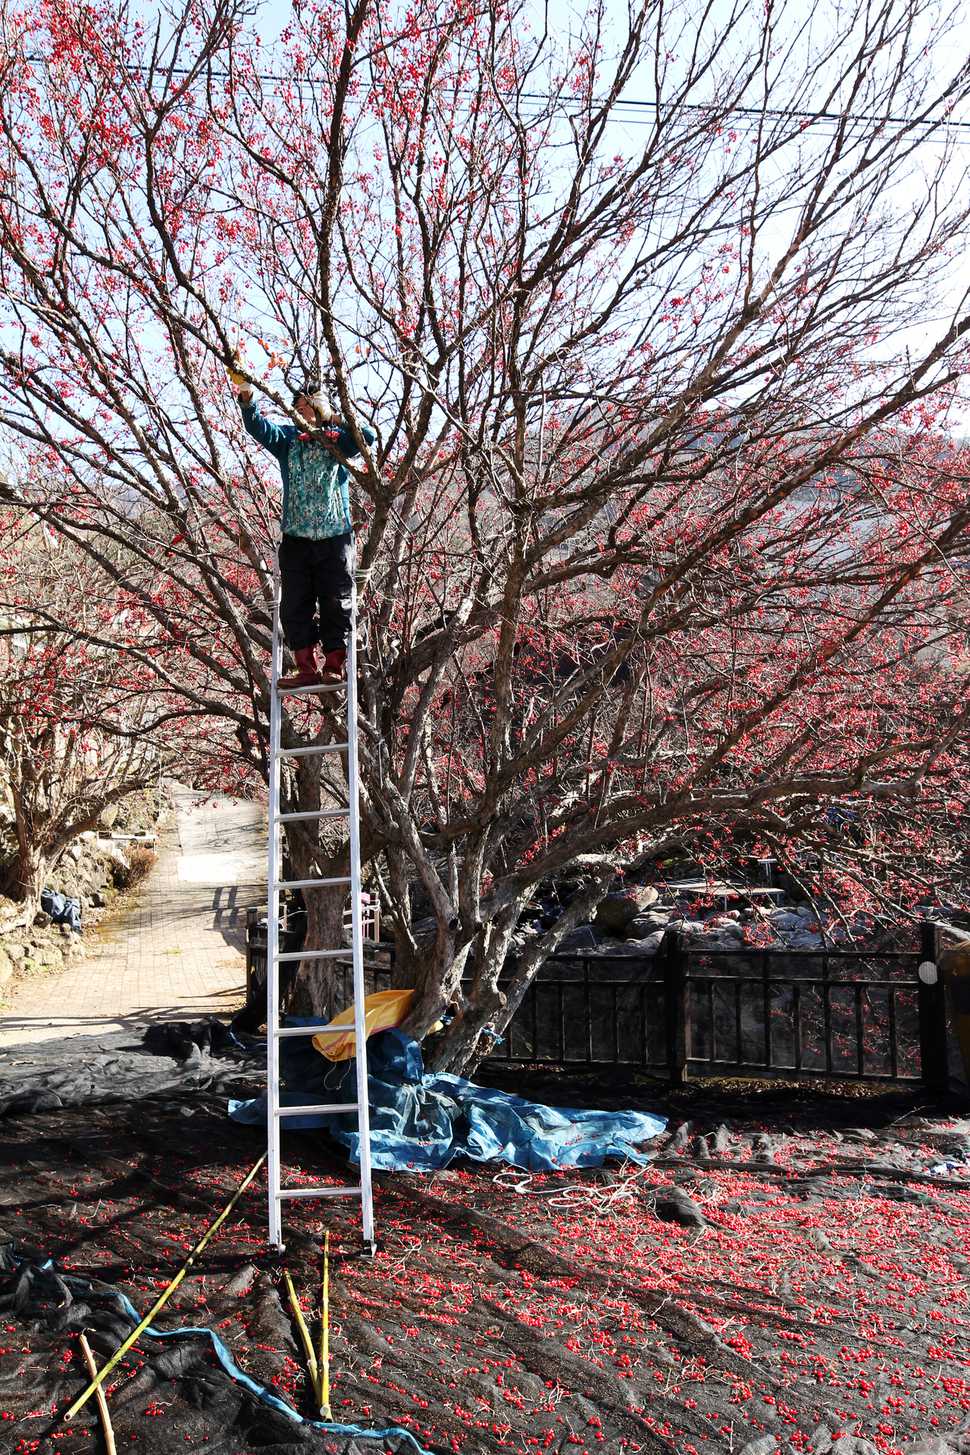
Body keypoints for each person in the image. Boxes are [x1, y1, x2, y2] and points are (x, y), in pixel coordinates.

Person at [229, 358, 375, 689]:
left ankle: (334, 664)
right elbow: (256, 426)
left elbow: (367, 436)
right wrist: (247, 394)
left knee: (336, 601)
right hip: (296, 537)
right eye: (300, 405)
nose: (305, 410)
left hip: (334, 535)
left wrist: (332, 417)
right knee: (295, 604)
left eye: (311, 405)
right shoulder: (288, 439)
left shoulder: (337, 438)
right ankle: (306, 666)